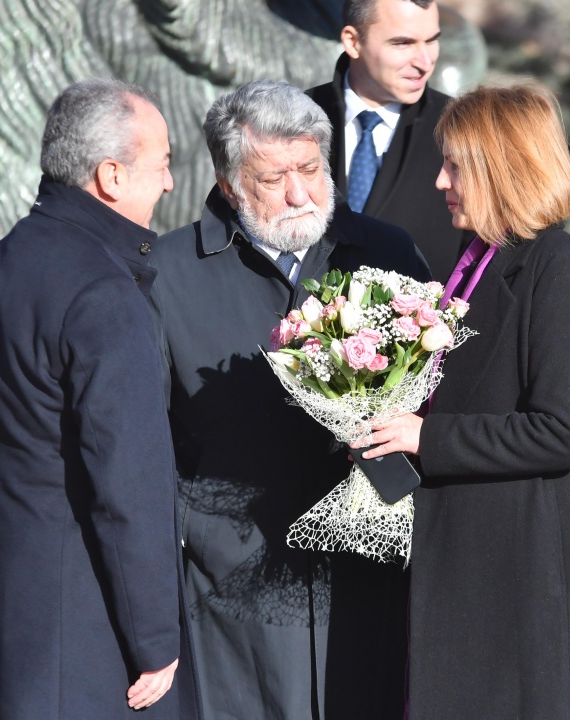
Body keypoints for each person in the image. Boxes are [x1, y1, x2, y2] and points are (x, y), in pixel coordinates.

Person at [149, 79, 429, 720]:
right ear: (228, 184)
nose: (301, 193)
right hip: (232, 583)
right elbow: (146, 439)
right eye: (274, 179)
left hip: (366, 570)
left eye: (310, 168)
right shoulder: (168, 274)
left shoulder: (387, 253)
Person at [353, 84, 570, 718]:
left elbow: (561, 430)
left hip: (526, 568)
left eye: (455, 165)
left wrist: (426, 438)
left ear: (504, 167)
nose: (440, 180)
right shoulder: (477, 257)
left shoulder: (560, 266)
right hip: (474, 556)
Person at [0, 79, 197, 719]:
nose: (170, 184)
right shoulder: (104, 292)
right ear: (112, 176)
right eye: (163, 164)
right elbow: (128, 481)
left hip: (11, 581)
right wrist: (155, 637)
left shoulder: (1, 262)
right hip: (88, 610)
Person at [307, 0, 470, 282]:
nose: (425, 62)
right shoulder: (294, 118)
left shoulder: (466, 130)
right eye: (403, 43)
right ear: (353, 41)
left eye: (432, 40)